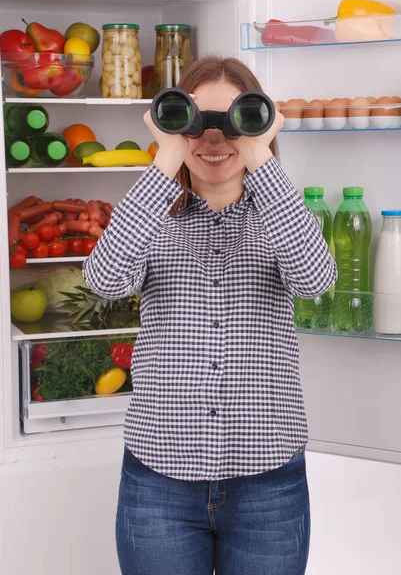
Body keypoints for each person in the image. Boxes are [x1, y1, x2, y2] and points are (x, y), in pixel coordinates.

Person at [82, 55, 337, 575]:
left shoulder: (284, 217)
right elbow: (104, 281)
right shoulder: (150, 219)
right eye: (197, 121)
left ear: (258, 124)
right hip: (160, 480)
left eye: (234, 122)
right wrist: (168, 153)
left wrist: (260, 155)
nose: (214, 139)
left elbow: (316, 280)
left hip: (269, 480)